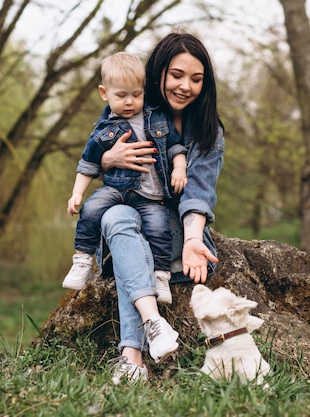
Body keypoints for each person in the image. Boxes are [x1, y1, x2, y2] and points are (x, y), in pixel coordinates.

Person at [95, 33, 225, 383]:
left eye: (196, 79)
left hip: (174, 233)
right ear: (159, 74)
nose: (185, 86)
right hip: (131, 215)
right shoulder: (133, 111)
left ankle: (130, 356)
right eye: (177, 75)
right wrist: (108, 159)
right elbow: (95, 156)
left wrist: (193, 239)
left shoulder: (207, 131)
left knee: (128, 245)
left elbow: (199, 190)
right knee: (114, 216)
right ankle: (149, 331)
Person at [62, 52, 188, 306]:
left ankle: (161, 277)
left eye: (136, 95)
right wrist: (77, 193)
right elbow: (88, 164)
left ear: (143, 91)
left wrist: (179, 168)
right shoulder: (103, 130)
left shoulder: (157, 118)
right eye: (121, 96)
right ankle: (83, 259)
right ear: (104, 93)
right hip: (118, 190)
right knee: (92, 208)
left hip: (152, 195)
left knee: (159, 230)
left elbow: (175, 147)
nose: (130, 102)